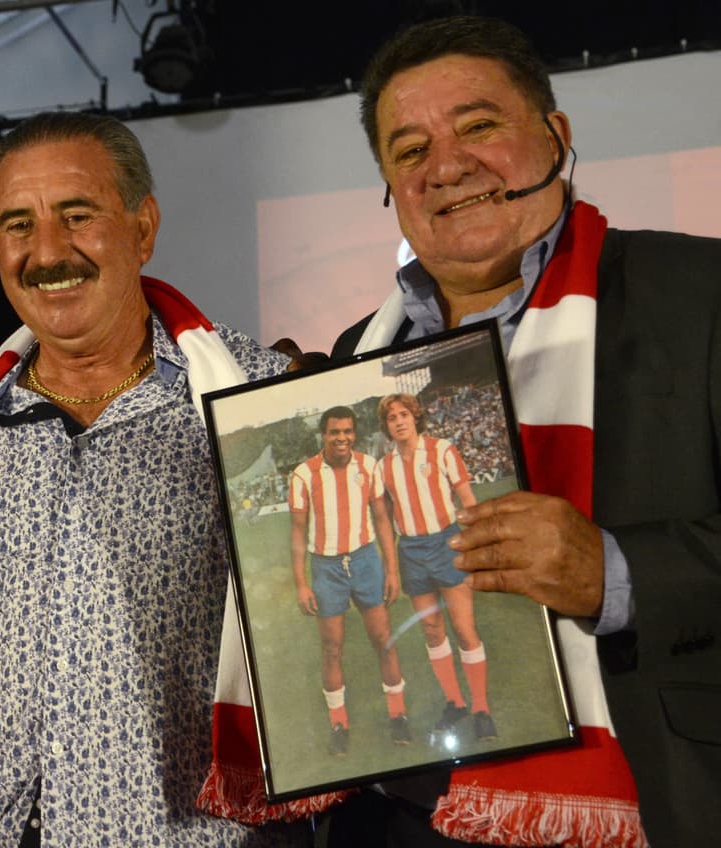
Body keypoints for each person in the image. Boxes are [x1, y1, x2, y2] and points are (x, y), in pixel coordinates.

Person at [326, 14, 721, 848]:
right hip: (407, 817)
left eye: (478, 126)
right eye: (409, 151)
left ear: (555, 135)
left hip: (654, 803)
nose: (447, 166)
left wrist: (615, 572)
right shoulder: (358, 360)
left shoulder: (703, 293)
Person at [0, 111, 310, 846]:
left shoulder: (259, 396)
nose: (48, 251)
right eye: (18, 224)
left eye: (77, 215)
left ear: (143, 227)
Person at [287, 405, 410, 756]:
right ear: (323, 435)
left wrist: (391, 570)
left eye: (347, 432)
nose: (341, 438)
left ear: (354, 434)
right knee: (332, 648)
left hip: (365, 560)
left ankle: (398, 715)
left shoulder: (368, 466)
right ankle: (339, 724)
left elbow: (383, 521)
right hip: (326, 568)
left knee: (384, 640)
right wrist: (301, 582)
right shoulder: (303, 475)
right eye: (334, 432)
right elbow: (297, 532)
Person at [374, 394, 495, 744]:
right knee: (430, 629)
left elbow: (467, 500)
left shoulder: (442, 450)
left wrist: (478, 541)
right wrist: (391, 565)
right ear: (386, 426)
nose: (399, 421)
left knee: (463, 627)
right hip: (410, 550)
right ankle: (455, 703)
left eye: (404, 414)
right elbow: (383, 518)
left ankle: (482, 709)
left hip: (447, 543)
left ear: (415, 417)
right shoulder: (384, 467)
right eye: (392, 417)